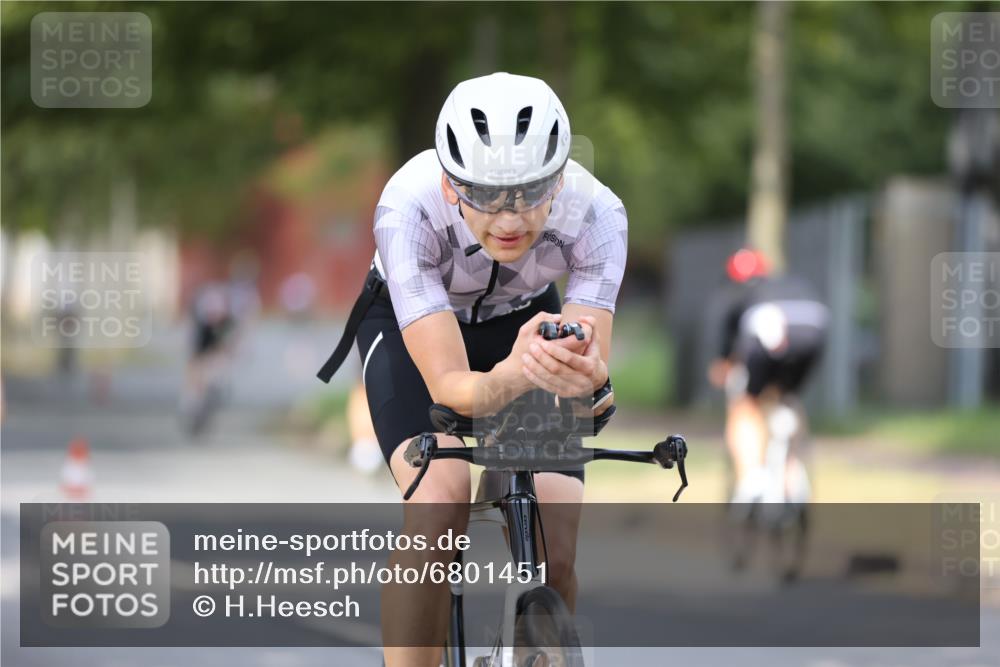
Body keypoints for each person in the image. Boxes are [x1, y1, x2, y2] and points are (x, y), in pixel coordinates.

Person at [317, 72, 626, 667]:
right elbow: (455, 393)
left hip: (529, 321)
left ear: (560, 177)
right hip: (416, 328)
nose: (508, 219)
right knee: (440, 501)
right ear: (448, 182)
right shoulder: (407, 207)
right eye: (484, 195)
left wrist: (589, 386)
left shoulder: (597, 217)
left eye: (533, 191)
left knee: (555, 544)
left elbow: (592, 375)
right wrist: (518, 377)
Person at [708, 248, 829, 509]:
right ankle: (793, 476)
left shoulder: (739, 295)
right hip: (814, 325)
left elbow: (727, 351)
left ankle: (752, 478)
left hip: (768, 326)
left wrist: (724, 367)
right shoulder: (786, 283)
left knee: (746, 404)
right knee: (786, 397)